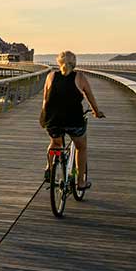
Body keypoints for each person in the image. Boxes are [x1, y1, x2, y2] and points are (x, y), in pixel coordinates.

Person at [41, 50, 104, 190]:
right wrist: (96, 111)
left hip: (53, 120)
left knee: (55, 143)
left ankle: (49, 168)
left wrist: (44, 117)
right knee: (81, 147)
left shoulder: (51, 76)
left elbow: (45, 100)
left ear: (59, 62)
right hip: (73, 120)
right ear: (74, 64)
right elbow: (90, 96)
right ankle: (80, 181)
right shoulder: (80, 77)